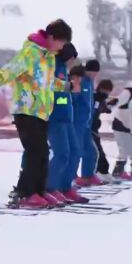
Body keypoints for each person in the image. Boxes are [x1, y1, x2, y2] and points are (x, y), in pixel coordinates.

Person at [0, 19, 71, 209]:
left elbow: (45, 81)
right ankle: (25, 193)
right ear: (51, 37)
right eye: (61, 42)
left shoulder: (48, 56)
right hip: (26, 109)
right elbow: (11, 70)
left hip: (41, 111)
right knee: (35, 151)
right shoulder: (31, 52)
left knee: (42, 152)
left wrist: (63, 85)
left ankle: (38, 192)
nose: (62, 47)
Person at [44, 43, 89, 205]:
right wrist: (67, 97)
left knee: (75, 152)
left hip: (66, 117)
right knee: (62, 154)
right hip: (56, 117)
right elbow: (55, 94)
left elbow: (63, 94)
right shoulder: (53, 66)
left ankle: (65, 187)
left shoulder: (63, 68)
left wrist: (68, 98)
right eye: (72, 58)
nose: (73, 62)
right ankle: (49, 187)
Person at [72, 59, 102, 187]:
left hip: (86, 123)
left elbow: (89, 102)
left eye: (96, 73)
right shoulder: (81, 80)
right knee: (76, 150)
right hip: (77, 121)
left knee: (91, 151)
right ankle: (71, 176)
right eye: (92, 72)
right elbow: (73, 99)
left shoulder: (90, 83)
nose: (94, 75)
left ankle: (87, 175)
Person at [92, 79, 117, 181]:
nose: (107, 93)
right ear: (101, 88)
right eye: (106, 90)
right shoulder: (95, 97)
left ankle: (102, 171)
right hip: (89, 128)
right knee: (97, 151)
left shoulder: (101, 98)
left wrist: (110, 105)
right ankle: (101, 171)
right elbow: (93, 111)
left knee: (97, 151)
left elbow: (102, 109)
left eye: (109, 91)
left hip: (94, 128)